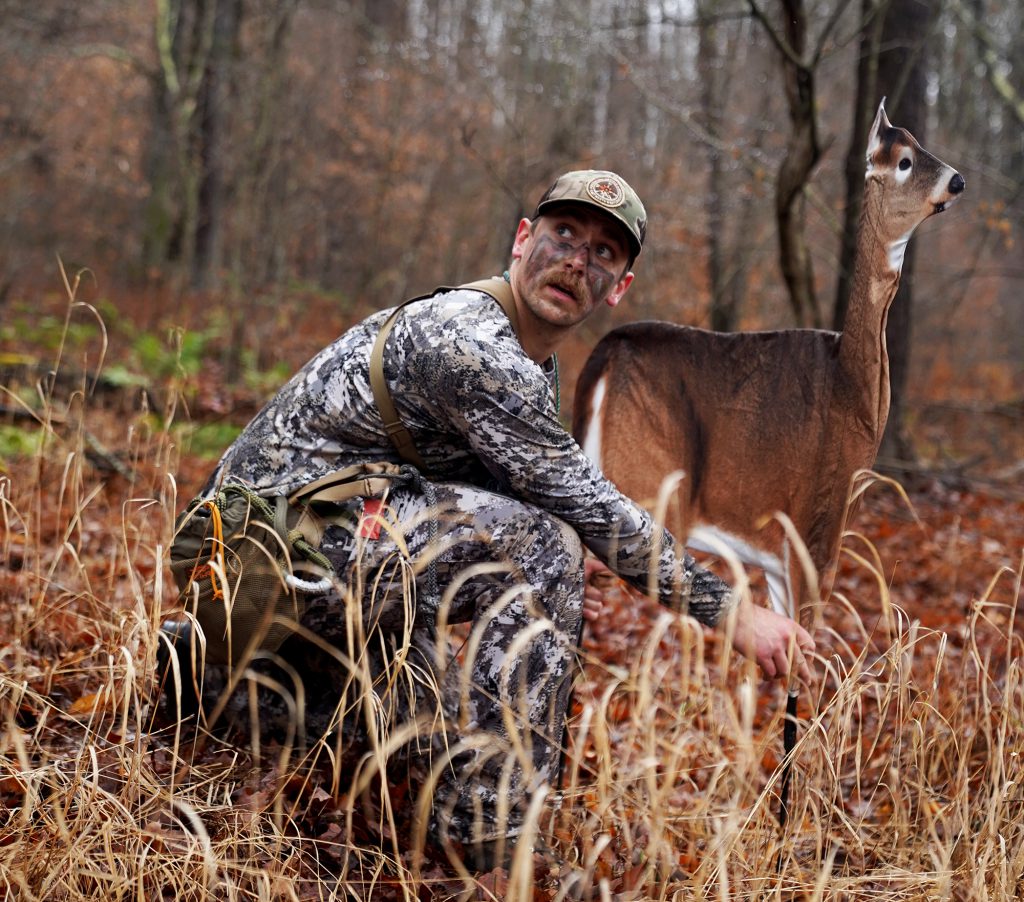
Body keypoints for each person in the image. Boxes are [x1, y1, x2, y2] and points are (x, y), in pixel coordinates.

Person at [165, 170, 815, 871]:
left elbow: (523, 495)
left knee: (408, 727)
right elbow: (581, 507)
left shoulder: (530, 365)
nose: (576, 260)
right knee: (545, 548)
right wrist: (732, 613)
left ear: (617, 289)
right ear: (522, 239)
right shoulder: (473, 345)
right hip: (256, 562)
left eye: (603, 253)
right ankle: (496, 844)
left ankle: (213, 683)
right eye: (564, 234)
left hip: (296, 557)